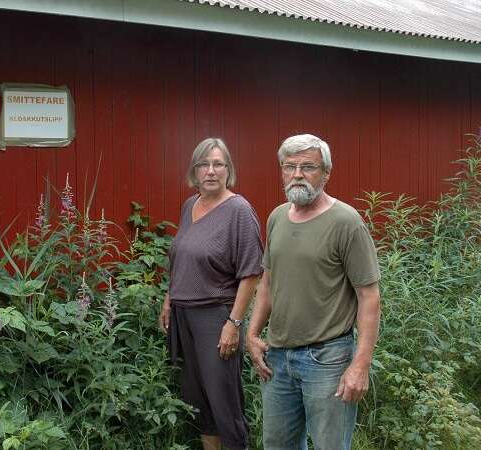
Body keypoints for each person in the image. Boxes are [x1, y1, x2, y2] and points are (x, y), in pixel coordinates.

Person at [246, 134, 382, 450]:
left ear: (326, 173)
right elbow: (267, 283)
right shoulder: (277, 217)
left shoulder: (346, 222)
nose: (297, 174)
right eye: (289, 166)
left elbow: (369, 297)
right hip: (277, 358)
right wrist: (251, 334)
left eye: (308, 167)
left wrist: (360, 365)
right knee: (277, 445)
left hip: (328, 358)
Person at [160, 137, 263, 450]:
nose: (210, 171)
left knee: (223, 400)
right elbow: (182, 258)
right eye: (203, 164)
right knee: (199, 399)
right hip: (184, 315)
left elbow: (251, 273)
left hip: (215, 317)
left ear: (228, 169)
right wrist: (169, 299)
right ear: (194, 171)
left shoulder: (239, 210)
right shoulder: (190, 205)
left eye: (218, 164)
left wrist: (234, 323)